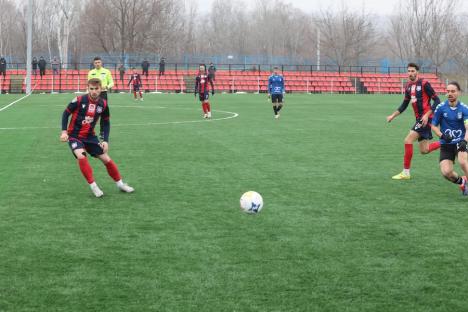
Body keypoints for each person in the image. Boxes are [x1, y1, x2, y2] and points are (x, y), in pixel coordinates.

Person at [60, 78, 134, 197]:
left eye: (96, 89)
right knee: (81, 155)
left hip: (90, 137)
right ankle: (93, 186)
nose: (94, 91)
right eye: (91, 89)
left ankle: (120, 184)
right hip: (74, 136)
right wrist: (64, 132)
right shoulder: (79, 100)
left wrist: (105, 141)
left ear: (101, 89)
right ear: (88, 88)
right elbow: (65, 113)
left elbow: (106, 122)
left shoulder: (103, 104)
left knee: (106, 159)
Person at [386, 62, 441, 180]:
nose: (410, 73)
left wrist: (427, 115)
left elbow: (437, 101)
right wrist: (393, 115)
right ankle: (448, 142)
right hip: (420, 119)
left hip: (426, 119)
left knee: (408, 140)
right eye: (409, 71)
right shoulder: (408, 87)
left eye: (412, 71)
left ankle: (406, 173)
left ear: (417, 72)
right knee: (424, 150)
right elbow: (404, 105)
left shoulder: (425, 84)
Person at [431, 81, 468, 195]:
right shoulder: (441, 108)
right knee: (446, 172)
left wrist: (464, 141)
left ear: (459, 93)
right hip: (446, 144)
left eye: (453, 91)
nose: (450, 93)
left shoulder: (464, 109)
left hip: (460, 142)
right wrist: (442, 135)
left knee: (462, 161)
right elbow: (433, 125)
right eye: (448, 91)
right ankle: (463, 182)